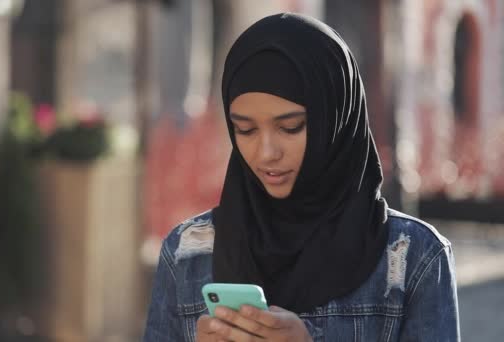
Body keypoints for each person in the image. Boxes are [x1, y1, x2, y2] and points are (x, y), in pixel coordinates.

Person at [143, 13, 460, 341]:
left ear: (336, 120)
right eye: (245, 129)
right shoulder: (187, 253)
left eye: (290, 127)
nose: (266, 153)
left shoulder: (414, 256)